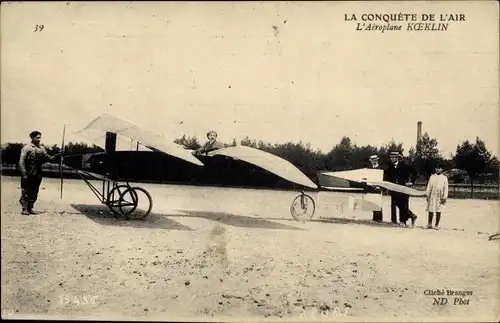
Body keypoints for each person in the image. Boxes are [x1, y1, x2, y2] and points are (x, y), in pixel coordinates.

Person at [18, 131, 60, 215]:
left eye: (40, 137)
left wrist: (58, 155)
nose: (39, 139)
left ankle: (30, 208)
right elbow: (21, 162)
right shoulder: (26, 148)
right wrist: (24, 173)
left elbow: (48, 158)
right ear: (32, 138)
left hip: (38, 173)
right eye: (37, 137)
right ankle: (24, 209)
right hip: (28, 173)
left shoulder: (42, 148)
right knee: (26, 191)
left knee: (34, 191)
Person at [385, 151, 418, 227]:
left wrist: (411, 182)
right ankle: (395, 220)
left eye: (394, 157)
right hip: (393, 188)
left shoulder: (404, 166)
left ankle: (403, 221)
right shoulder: (389, 167)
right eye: (391, 158)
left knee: (404, 204)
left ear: (397, 158)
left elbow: (415, 172)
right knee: (396, 203)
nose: (392, 159)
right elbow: (387, 177)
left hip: (403, 188)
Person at [425, 163, 449, 230]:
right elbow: (429, 186)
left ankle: (436, 224)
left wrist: (444, 197)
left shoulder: (444, 178)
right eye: (436, 168)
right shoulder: (432, 177)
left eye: (439, 168)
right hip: (432, 195)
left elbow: (446, 188)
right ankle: (429, 223)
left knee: (438, 210)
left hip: (440, 196)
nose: (438, 169)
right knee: (431, 209)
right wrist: (427, 194)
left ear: (442, 169)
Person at [369, 155, 384, 222]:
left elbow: (382, 178)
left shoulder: (380, 168)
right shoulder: (370, 169)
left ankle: (380, 218)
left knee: (378, 202)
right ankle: (375, 218)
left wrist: (379, 186)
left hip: (378, 187)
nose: (373, 161)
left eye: (374, 160)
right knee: (373, 201)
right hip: (372, 187)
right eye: (372, 160)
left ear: (377, 160)